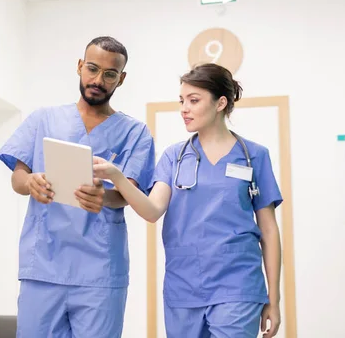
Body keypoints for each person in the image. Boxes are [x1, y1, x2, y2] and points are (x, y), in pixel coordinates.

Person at [93, 63, 283, 338]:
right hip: (184, 287)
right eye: (182, 101)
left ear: (221, 103)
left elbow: (269, 231)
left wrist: (273, 301)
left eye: (194, 101)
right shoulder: (174, 157)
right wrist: (117, 177)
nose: (184, 108)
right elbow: (152, 210)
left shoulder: (254, 156)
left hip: (238, 285)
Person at [0, 36, 155, 338]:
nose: (98, 80)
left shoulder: (135, 133)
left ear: (121, 79)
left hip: (99, 270)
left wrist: (103, 196)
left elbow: (129, 194)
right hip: (44, 263)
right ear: (80, 66)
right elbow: (17, 177)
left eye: (110, 74)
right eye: (92, 69)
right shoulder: (44, 119)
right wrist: (30, 181)